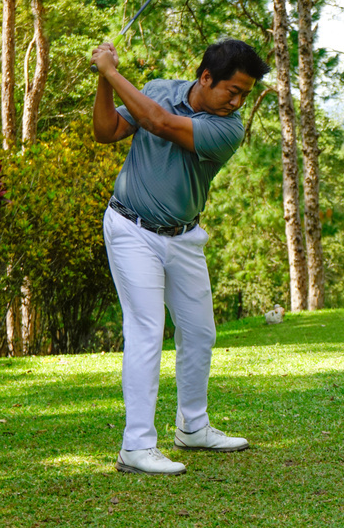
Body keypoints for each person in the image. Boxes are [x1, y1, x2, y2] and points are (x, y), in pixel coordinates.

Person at [91, 37, 270, 476]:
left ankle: (192, 426)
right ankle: (135, 446)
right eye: (234, 90)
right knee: (147, 331)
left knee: (199, 332)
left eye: (245, 94)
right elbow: (107, 131)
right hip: (131, 227)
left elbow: (160, 124)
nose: (238, 101)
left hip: (184, 236)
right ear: (206, 77)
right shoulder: (157, 89)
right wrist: (104, 81)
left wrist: (112, 70)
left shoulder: (228, 129)